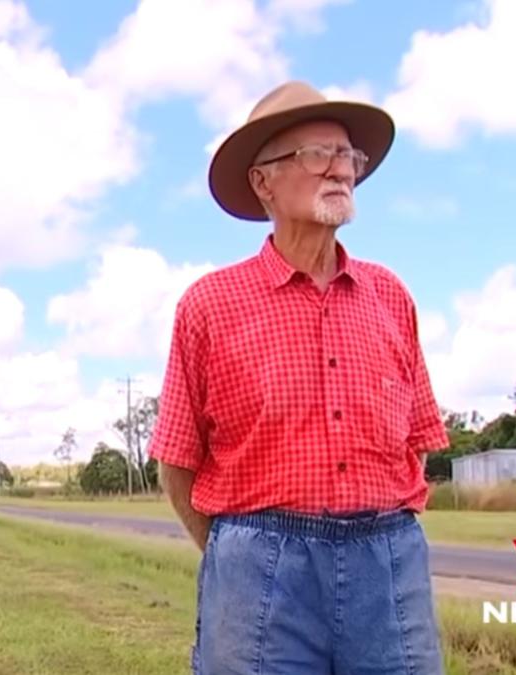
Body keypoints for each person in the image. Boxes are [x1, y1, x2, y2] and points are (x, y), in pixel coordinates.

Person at [148, 81, 450, 674]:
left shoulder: (391, 296)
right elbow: (177, 461)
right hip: (258, 568)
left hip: (387, 564)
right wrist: (243, 553)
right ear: (264, 181)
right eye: (318, 155)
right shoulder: (210, 304)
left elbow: (416, 443)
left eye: (348, 157)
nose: (340, 169)